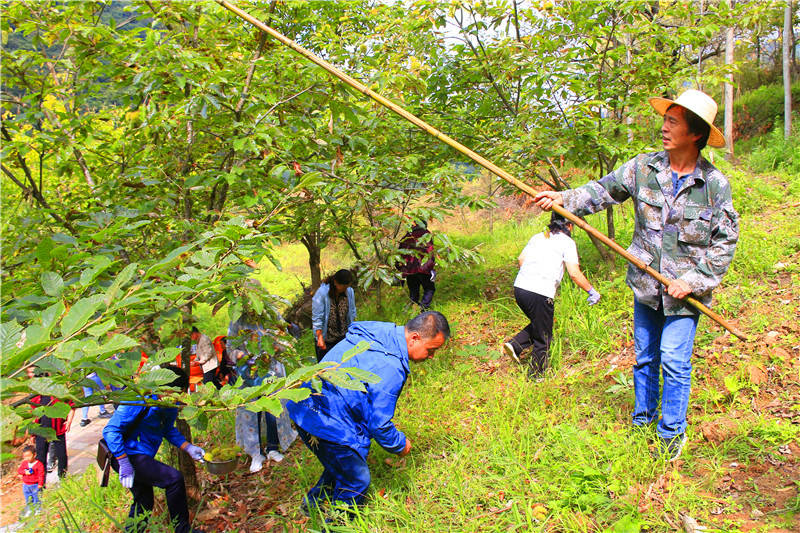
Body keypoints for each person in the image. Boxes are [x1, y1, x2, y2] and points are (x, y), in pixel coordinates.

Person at [533, 88, 739, 460]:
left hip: (684, 295)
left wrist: (691, 281)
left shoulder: (713, 185)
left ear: (694, 134)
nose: (663, 127)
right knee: (645, 358)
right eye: (665, 119)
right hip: (646, 287)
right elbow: (602, 190)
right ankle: (642, 422)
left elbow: (724, 243)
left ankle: (671, 434)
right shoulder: (643, 168)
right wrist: (564, 199)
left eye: (672, 122)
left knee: (674, 361)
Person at [287, 311, 450, 512]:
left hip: (303, 405)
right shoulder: (392, 367)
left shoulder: (380, 332)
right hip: (326, 421)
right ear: (415, 338)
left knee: (341, 465)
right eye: (430, 350)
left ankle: (311, 506)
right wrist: (400, 445)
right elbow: (379, 424)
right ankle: (339, 523)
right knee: (357, 481)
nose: (432, 357)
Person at [102, 365, 206, 533]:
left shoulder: (169, 404)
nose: (177, 399)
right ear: (163, 388)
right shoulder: (138, 399)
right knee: (173, 479)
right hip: (126, 454)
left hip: (142, 455)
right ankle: (182, 530)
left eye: (180, 394)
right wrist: (124, 462)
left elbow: (167, 429)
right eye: (174, 394)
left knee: (144, 501)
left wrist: (188, 447)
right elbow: (110, 431)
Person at [502, 212, 601, 377]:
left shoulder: (539, 236)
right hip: (540, 292)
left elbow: (521, 259)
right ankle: (536, 376)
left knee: (541, 325)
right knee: (544, 336)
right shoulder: (567, 243)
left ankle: (516, 345)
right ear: (569, 225)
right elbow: (574, 273)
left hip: (520, 288)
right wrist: (591, 291)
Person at [228, 310, 297, 472]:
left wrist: (274, 348)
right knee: (252, 409)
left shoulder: (271, 316)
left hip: (271, 369)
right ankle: (256, 453)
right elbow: (230, 348)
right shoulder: (237, 319)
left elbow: (285, 340)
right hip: (248, 372)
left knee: (272, 407)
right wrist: (241, 356)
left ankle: (273, 447)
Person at [26, 367, 74, 485]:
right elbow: (33, 416)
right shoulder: (34, 395)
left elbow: (71, 404)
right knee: (41, 457)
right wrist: (32, 433)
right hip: (41, 431)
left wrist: (69, 420)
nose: (29, 375)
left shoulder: (55, 390)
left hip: (57, 429)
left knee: (61, 455)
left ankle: (63, 479)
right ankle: (41, 484)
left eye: (32, 372)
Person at [311, 269, 356, 362]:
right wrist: (319, 338)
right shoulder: (322, 294)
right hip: (327, 340)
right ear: (336, 282)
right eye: (343, 287)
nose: (345, 289)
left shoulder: (349, 292)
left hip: (343, 338)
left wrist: (353, 330)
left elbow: (352, 312)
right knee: (327, 370)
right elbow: (317, 318)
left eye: (347, 287)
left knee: (344, 366)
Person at [397, 222, 436, 310]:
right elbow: (430, 252)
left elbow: (400, 255)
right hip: (423, 268)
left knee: (414, 292)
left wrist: (401, 270)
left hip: (409, 269)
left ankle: (414, 311)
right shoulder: (426, 235)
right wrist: (431, 268)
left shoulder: (406, 237)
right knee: (429, 289)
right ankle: (423, 309)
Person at [17, 445, 44, 517]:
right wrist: (25, 472)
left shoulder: (39, 465)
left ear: (34, 455)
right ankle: (30, 509)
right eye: (25, 457)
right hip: (26, 484)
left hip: (35, 484)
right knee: (28, 498)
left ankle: (38, 510)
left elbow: (41, 475)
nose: (27, 458)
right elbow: (19, 470)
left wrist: (40, 484)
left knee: (36, 497)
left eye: (29, 456)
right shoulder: (24, 463)